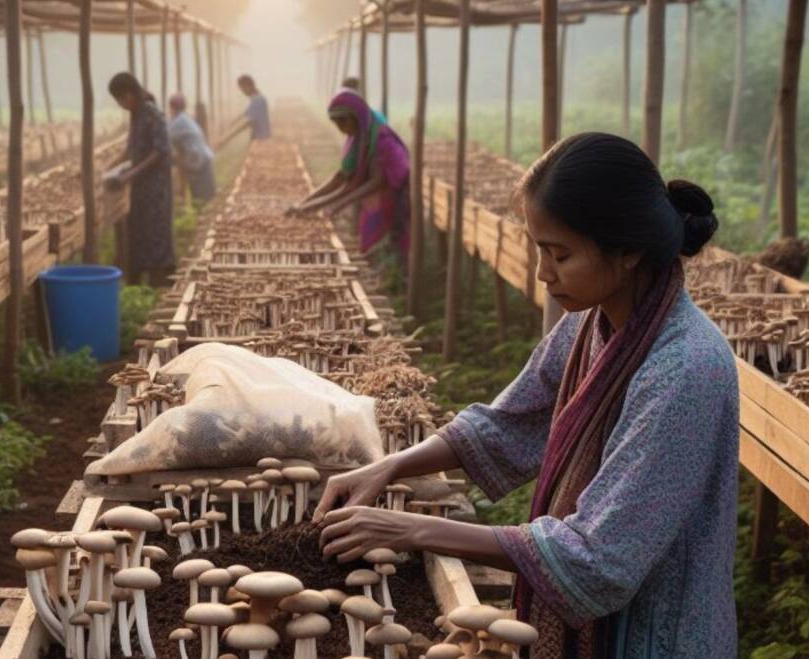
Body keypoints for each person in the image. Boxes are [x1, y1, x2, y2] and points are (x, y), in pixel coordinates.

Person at [314, 133, 735, 658]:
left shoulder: (685, 369)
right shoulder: (592, 324)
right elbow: (510, 423)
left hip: (654, 636)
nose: (543, 272)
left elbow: (598, 559)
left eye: (560, 254)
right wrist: (389, 467)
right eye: (540, 249)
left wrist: (412, 529)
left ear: (628, 250)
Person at [288, 89, 410, 261]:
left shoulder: (382, 140)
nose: (341, 128)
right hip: (376, 198)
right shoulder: (357, 138)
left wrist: (339, 203)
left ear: (356, 116)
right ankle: (382, 268)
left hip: (394, 195)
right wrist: (305, 203)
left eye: (343, 122)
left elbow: (377, 181)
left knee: (394, 241)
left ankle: (395, 278)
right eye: (336, 124)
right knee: (373, 239)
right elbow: (342, 178)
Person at [104, 72, 175, 286]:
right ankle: (141, 278)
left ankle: (160, 280)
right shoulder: (136, 114)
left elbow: (160, 152)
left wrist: (128, 175)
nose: (120, 105)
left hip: (156, 186)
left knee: (156, 230)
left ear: (128, 95)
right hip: (141, 185)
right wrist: (106, 168)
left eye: (119, 100)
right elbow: (130, 150)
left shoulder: (152, 113)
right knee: (140, 229)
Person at [167, 93, 217, 205]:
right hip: (203, 158)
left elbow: (165, 139)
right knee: (206, 197)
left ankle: (203, 218)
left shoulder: (177, 123)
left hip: (197, 161)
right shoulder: (185, 119)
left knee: (201, 199)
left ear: (172, 107)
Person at [223, 74, 271, 142]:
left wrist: (229, 137)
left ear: (248, 86)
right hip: (260, 138)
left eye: (242, 89)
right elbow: (245, 113)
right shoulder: (257, 99)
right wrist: (231, 123)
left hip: (260, 139)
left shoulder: (258, 100)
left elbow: (248, 122)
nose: (243, 92)